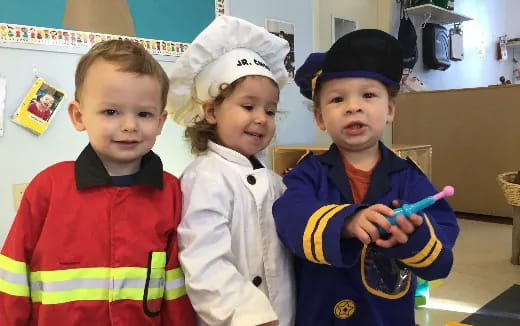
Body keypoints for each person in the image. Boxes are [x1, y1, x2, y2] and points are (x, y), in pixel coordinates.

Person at [0, 39, 196, 326]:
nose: (129, 125)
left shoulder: (172, 194)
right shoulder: (48, 188)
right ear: (79, 116)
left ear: (160, 121)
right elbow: (12, 279)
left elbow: (176, 290)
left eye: (143, 114)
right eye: (111, 112)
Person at [272, 29, 460, 325]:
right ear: (320, 118)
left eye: (368, 95)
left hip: (385, 317)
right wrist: (345, 221)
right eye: (337, 99)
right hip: (320, 315)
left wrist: (415, 235)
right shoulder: (305, 174)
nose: (353, 106)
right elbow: (289, 218)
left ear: (390, 110)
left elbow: (441, 259)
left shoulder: (409, 177)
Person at [167, 15, 296, 326]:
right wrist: (249, 315)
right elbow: (205, 262)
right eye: (248, 106)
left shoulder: (275, 182)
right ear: (211, 111)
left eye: (270, 110)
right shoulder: (204, 178)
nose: (262, 118)